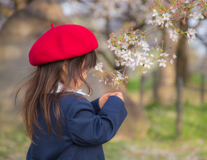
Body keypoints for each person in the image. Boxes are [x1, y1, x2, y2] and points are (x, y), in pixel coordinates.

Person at [14, 23, 127, 160]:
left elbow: (68, 121)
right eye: (85, 69)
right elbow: (98, 132)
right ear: (66, 67)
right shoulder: (73, 105)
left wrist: (96, 106)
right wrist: (115, 105)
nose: (85, 75)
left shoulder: (44, 99)